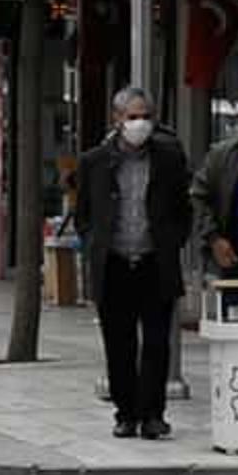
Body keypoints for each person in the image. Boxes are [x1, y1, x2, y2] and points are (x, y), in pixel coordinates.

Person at [76, 87, 191, 441]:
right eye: (132, 117)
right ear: (117, 119)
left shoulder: (169, 158)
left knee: (157, 343)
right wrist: (94, 244)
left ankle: (153, 415)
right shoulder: (94, 162)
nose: (139, 124)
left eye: (145, 116)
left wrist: (172, 241)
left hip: (155, 262)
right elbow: (84, 214)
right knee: (119, 344)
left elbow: (182, 209)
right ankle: (126, 413)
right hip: (114, 264)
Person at [193, 97, 238, 310]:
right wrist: (214, 239)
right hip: (234, 262)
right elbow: (198, 197)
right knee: (237, 333)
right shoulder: (223, 155)